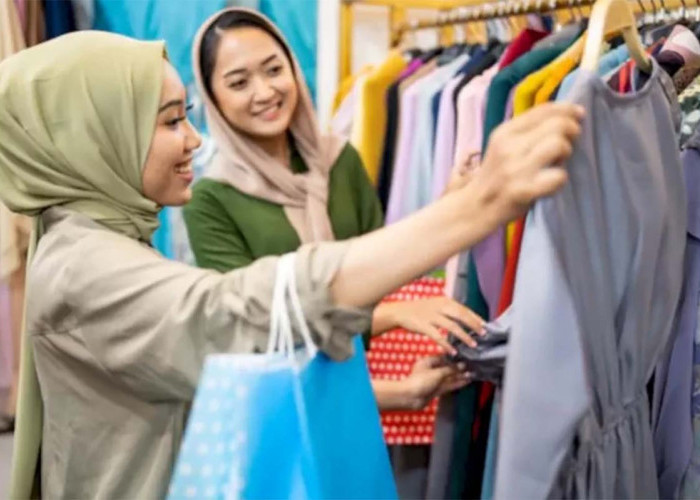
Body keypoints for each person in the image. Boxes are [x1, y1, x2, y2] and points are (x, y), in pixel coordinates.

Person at [0, 30, 583, 500]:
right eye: (171, 120)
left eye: (186, 116)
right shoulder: (86, 267)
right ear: (95, 135)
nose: (194, 141)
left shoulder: (105, 235)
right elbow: (232, 315)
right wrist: (474, 209)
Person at [183, 8, 483, 411]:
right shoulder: (212, 199)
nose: (264, 92)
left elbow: (385, 268)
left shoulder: (339, 161)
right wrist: (398, 382)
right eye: (239, 83)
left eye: (274, 70)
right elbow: (256, 336)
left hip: (360, 398)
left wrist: (454, 203)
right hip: (287, 414)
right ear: (214, 99)